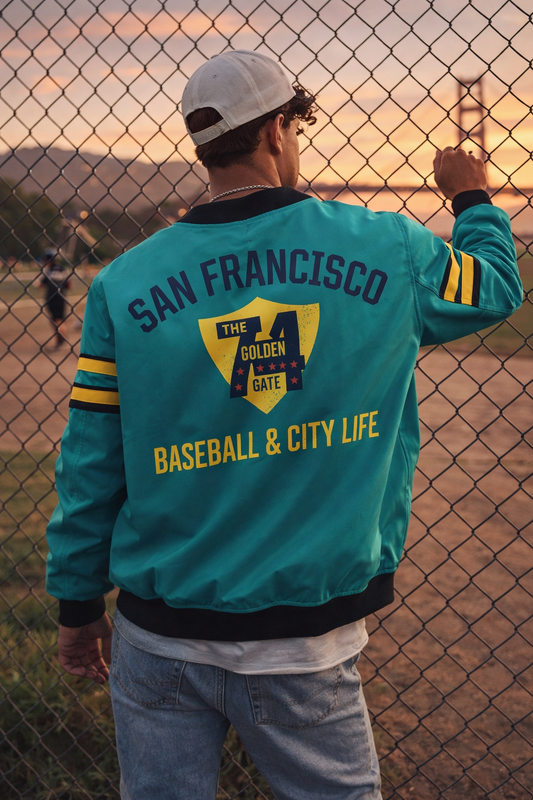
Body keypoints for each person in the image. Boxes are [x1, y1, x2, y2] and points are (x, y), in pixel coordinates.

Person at [46, 50, 522, 800]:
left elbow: (90, 463)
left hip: (158, 634)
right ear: (276, 130)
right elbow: (494, 288)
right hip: (301, 645)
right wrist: (472, 203)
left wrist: (77, 605)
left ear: (203, 145)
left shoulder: (123, 282)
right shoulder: (389, 247)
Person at [39, 249, 71, 348]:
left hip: (51, 298)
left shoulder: (49, 271)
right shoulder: (62, 269)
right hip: (61, 297)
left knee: (55, 319)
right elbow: (69, 284)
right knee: (61, 318)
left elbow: (40, 285)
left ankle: (60, 337)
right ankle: (62, 335)